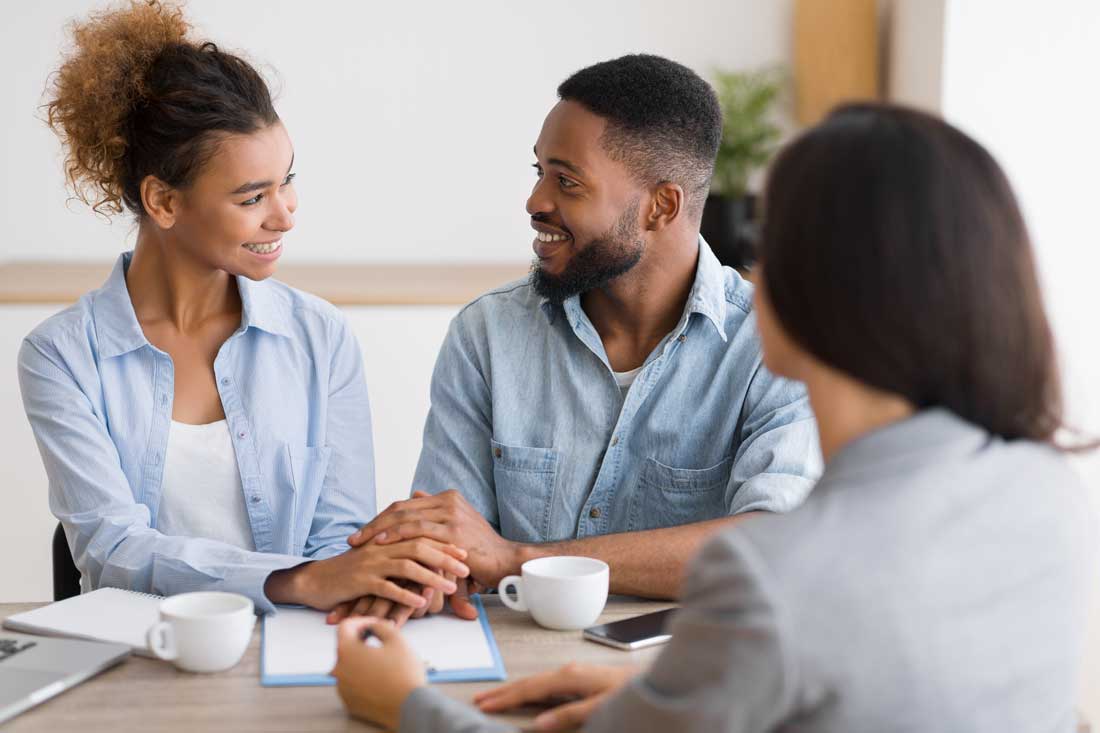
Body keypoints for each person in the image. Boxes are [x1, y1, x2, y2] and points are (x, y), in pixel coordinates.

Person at [330, 103, 1096, 732]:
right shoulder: (1049, 489)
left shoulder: (774, 576)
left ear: (800, 297)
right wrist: (677, 702)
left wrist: (405, 704)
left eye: (770, 246)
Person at [333, 54, 821, 624]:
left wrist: (523, 559)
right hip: (510, 669)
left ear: (660, 206)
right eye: (538, 171)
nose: (536, 201)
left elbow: (778, 548)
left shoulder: (776, 347)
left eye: (566, 181)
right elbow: (449, 543)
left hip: (685, 682)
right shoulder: (487, 334)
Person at [19, 0, 467, 615]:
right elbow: (111, 548)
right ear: (163, 201)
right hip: (144, 659)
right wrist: (297, 580)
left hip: (296, 641)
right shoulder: (62, 355)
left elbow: (341, 538)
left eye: (287, 180)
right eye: (253, 195)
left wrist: (378, 588)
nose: (284, 213)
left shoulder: (319, 336)